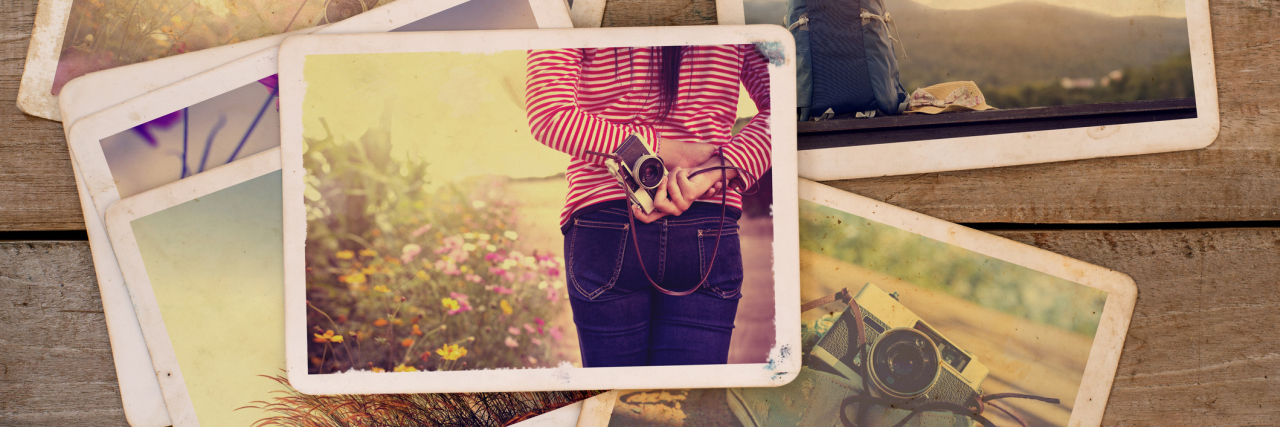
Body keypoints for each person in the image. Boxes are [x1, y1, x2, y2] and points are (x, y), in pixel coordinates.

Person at [525, 45, 771, 367]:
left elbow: (550, 116)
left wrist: (654, 148)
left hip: (605, 221)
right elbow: (784, 109)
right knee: (688, 405)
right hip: (706, 217)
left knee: (616, 401)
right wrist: (716, 167)